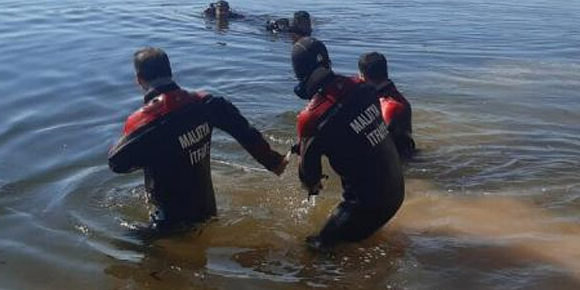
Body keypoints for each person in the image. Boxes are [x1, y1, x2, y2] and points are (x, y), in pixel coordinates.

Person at [108, 47, 287, 234]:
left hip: (169, 225)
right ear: (170, 72)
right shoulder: (204, 103)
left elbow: (116, 163)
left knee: (120, 241)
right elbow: (242, 129)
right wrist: (273, 161)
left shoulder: (146, 123)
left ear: (139, 80)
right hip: (207, 212)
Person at [290, 37, 404, 248]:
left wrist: (305, 147)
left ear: (299, 74)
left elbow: (310, 181)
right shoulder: (363, 87)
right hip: (397, 192)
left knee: (312, 249)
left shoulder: (311, 118)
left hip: (367, 208)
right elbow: (356, 136)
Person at [357, 51, 417, 159]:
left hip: (397, 163)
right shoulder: (393, 98)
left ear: (363, 76)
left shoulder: (389, 107)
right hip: (403, 156)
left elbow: (377, 144)